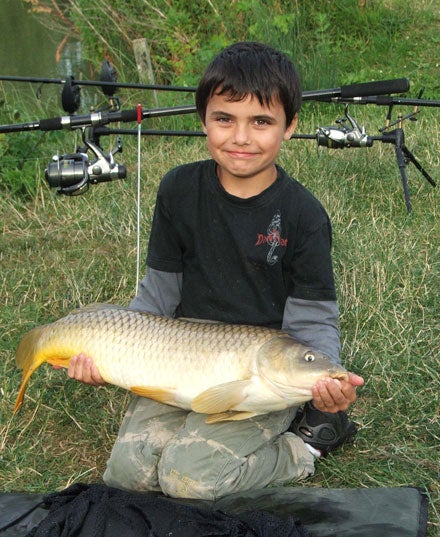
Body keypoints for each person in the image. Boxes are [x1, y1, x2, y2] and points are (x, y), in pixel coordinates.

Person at [66, 41, 364, 500]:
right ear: (203, 119)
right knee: (129, 479)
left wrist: (326, 378)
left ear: (290, 127)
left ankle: (305, 445)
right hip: (178, 353)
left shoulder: (304, 214)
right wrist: (111, 353)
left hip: (259, 374)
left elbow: (313, 319)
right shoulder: (179, 189)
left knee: (190, 481)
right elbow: (156, 296)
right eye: (225, 119)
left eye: (261, 122)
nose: (241, 137)